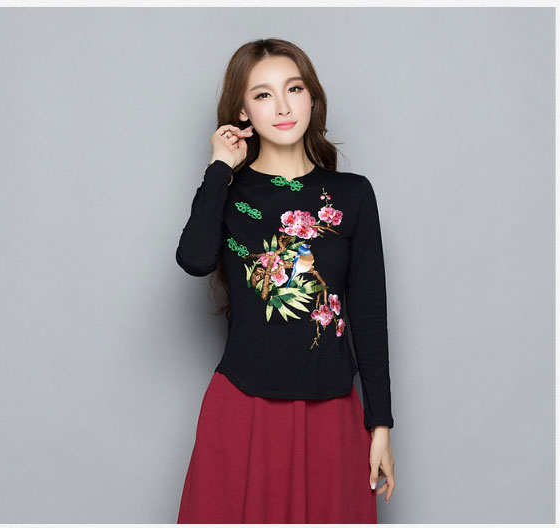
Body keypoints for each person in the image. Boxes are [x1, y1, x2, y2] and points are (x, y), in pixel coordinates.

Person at [175, 38, 396, 524]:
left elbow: (369, 312)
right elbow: (193, 259)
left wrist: (380, 423)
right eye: (263, 94)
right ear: (243, 112)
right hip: (244, 406)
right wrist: (219, 167)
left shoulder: (352, 195)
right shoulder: (230, 193)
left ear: (311, 97)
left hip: (331, 411)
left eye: (293, 88)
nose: (282, 106)